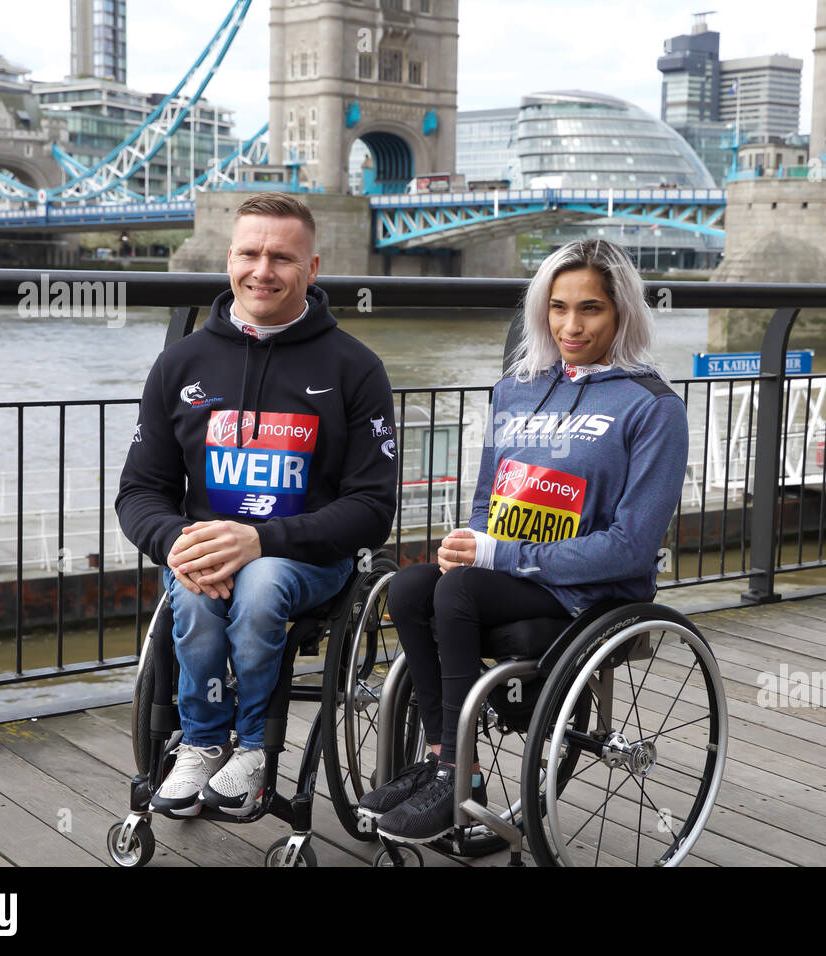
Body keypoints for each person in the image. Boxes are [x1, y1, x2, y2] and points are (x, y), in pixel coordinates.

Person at [358, 238, 689, 844]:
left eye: (590, 308)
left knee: (456, 594)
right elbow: (490, 500)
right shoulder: (515, 389)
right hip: (506, 573)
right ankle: (440, 758)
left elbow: (632, 547)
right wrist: (471, 541)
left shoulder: (653, 407)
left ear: (622, 314)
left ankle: (463, 774)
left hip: (588, 593)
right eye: (557, 307)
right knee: (407, 587)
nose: (571, 324)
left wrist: (497, 556)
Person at [115, 192, 398, 818]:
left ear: (313, 269)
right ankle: (202, 743)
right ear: (229, 258)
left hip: (306, 560)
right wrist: (175, 541)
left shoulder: (356, 368)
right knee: (191, 588)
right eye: (250, 253)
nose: (262, 271)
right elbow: (138, 492)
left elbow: (374, 508)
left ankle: (252, 747)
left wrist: (262, 540)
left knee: (262, 585)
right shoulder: (180, 362)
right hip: (204, 555)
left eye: (282, 258)